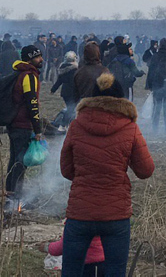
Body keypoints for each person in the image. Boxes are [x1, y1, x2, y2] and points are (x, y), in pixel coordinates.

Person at [60, 71, 154, 277]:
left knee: (71, 270)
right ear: (121, 99)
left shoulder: (76, 126)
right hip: (116, 214)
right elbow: (146, 171)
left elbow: (66, 170)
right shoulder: (130, 128)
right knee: (115, 272)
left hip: (80, 212)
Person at [7, 45, 45, 203]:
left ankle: (10, 195)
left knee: (14, 161)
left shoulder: (19, 73)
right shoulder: (29, 76)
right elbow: (32, 103)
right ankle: (15, 198)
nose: (41, 59)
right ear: (29, 58)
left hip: (14, 123)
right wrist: (38, 129)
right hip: (22, 124)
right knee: (20, 163)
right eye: (37, 57)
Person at [37, 231, 105, 276]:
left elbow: (62, 247)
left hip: (81, 266)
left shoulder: (75, 222)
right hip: (104, 263)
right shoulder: (107, 220)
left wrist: (47, 247)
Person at [51, 51, 79, 126]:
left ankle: (68, 123)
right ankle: (63, 125)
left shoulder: (62, 68)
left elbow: (59, 81)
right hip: (73, 92)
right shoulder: (76, 69)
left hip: (65, 92)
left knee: (70, 108)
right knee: (71, 109)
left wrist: (53, 89)